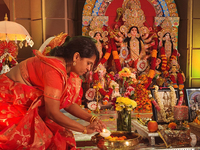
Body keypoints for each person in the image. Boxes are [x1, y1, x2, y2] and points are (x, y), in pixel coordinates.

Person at [0, 36, 105, 150]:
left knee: (59, 137)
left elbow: (67, 103)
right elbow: (53, 113)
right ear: (76, 56)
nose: (89, 69)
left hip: (25, 107)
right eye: (88, 63)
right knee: (41, 140)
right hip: (10, 101)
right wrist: (84, 129)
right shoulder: (54, 69)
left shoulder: (67, 71)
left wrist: (92, 118)